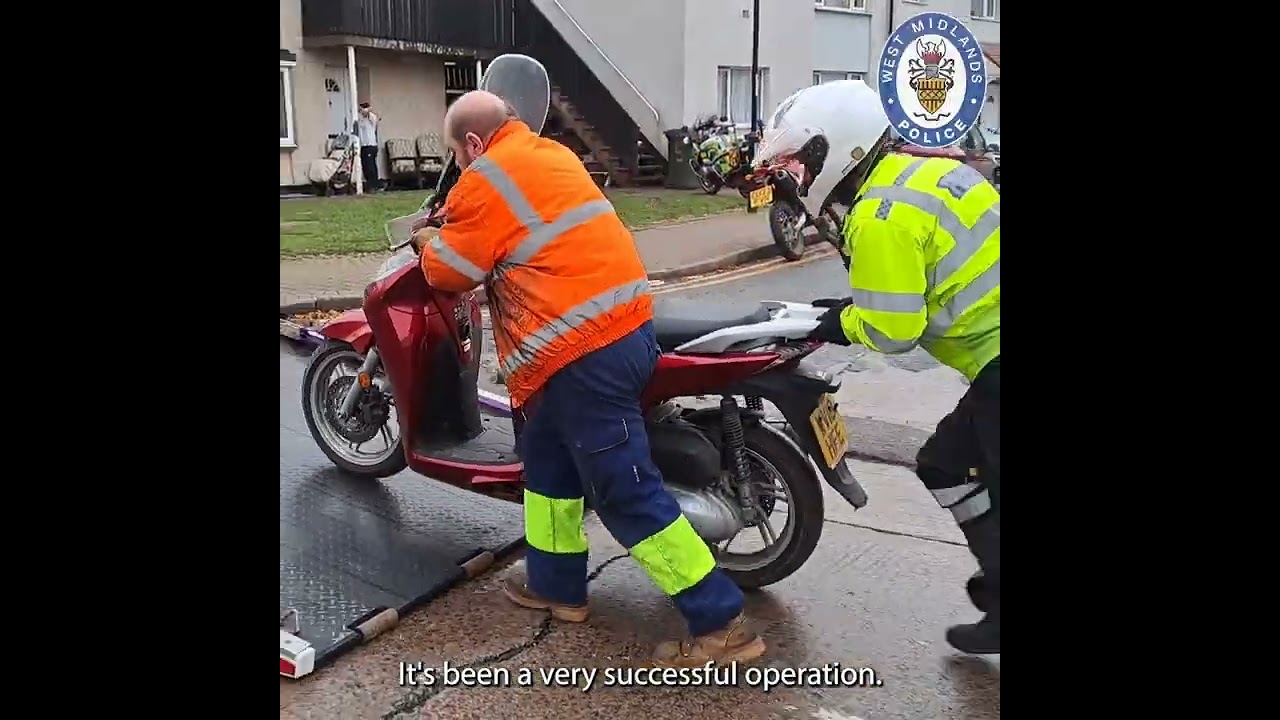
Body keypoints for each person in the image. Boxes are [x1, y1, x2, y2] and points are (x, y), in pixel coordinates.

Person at [413, 90, 765, 666]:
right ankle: (556, 585)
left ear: (473, 143)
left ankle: (720, 619)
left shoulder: (485, 178)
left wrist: (428, 244)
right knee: (548, 463)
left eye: (456, 154)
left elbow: (453, 270)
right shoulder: (553, 153)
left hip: (581, 352)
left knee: (624, 491)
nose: (459, 165)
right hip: (613, 334)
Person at [756, 80, 1000, 654]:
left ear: (837, 148)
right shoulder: (927, 171)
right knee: (946, 463)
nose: (797, 179)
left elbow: (893, 331)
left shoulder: (881, 215)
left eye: (800, 161)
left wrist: (833, 322)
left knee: (956, 463)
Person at [355, 102, 381, 192]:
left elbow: (371, 115)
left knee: (371, 166)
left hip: (371, 145)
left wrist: (366, 110)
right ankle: (369, 184)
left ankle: (374, 185)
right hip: (363, 146)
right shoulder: (359, 118)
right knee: (365, 166)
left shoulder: (371, 117)